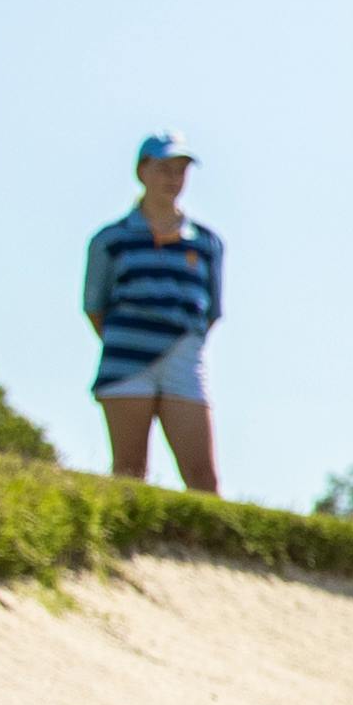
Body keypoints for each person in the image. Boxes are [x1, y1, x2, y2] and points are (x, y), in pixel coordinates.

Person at [79, 133, 225, 491]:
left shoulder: (206, 242)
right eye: (164, 168)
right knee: (129, 473)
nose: (173, 178)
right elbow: (95, 306)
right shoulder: (110, 239)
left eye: (180, 170)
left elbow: (212, 311)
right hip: (126, 360)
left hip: (183, 361)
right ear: (143, 171)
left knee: (203, 479)